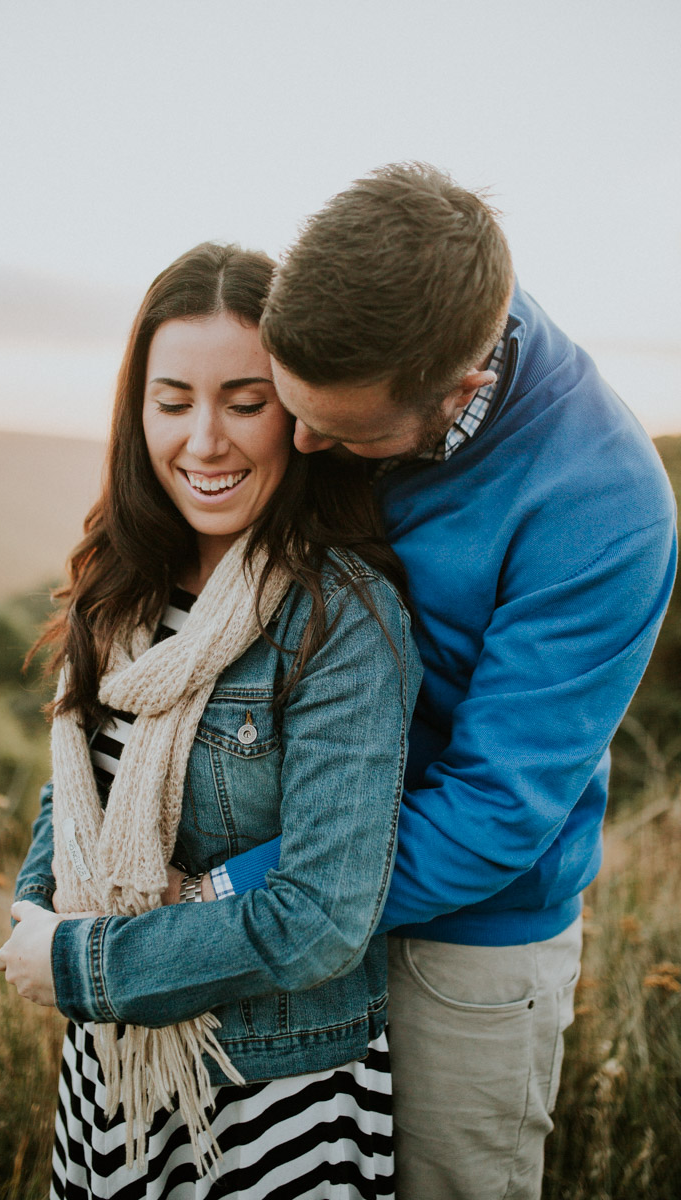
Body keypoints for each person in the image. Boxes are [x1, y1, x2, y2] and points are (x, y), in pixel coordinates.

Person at [184, 164, 678, 1199]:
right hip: (293, 891)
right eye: (290, 406)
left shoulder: (603, 506)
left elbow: (497, 810)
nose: (304, 445)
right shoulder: (364, 336)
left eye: (347, 436)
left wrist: (241, 891)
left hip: (463, 947)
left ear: (455, 389)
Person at [0, 242, 419, 1200]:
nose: (205, 441)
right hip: (113, 1080)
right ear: (136, 410)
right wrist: (37, 905)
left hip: (271, 1090)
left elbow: (321, 917)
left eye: (244, 400)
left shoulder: (338, 616)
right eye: (174, 400)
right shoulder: (120, 588)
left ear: (300, 416)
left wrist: (79, 962)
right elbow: (81, 787)